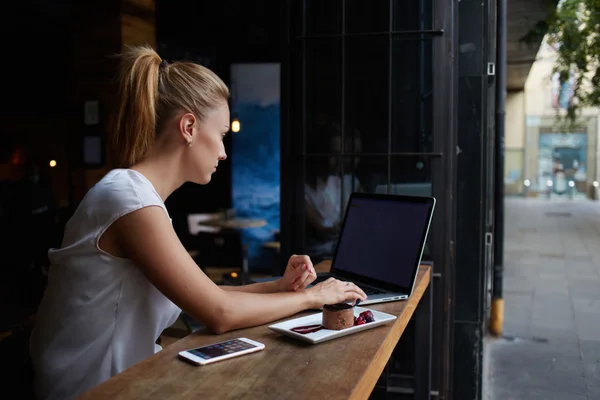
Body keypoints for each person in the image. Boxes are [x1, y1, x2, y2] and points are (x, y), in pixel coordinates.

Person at [29, 46, 367, 400]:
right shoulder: (129, 199)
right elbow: (218, 312)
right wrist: (315, 296)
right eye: (221, 135)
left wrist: (281, 287)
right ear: (188, 127)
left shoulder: (140, 199)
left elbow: (206, 295)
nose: (223, 152)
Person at [304, 123, 362, 263]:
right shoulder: (305, 187)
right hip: (320, 253)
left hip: (344, 246)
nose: (338, 160)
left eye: (340, 153)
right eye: (333, 154)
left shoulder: (349, 181)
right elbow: (321, 226)